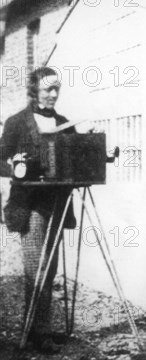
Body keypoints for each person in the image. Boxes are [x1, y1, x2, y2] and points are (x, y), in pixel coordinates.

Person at [0, 67, 76, 354]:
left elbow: (74, 160)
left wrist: (87, 144)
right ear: (34, 90)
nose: (53, 94)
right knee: (36, 268)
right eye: (47, 89)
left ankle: (36, 328)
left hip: (56, 204)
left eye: (56, 88)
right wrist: (17, 166)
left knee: (51, 268)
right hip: (29, 205)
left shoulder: (65, 123)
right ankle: (37, 333)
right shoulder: (17, 122)